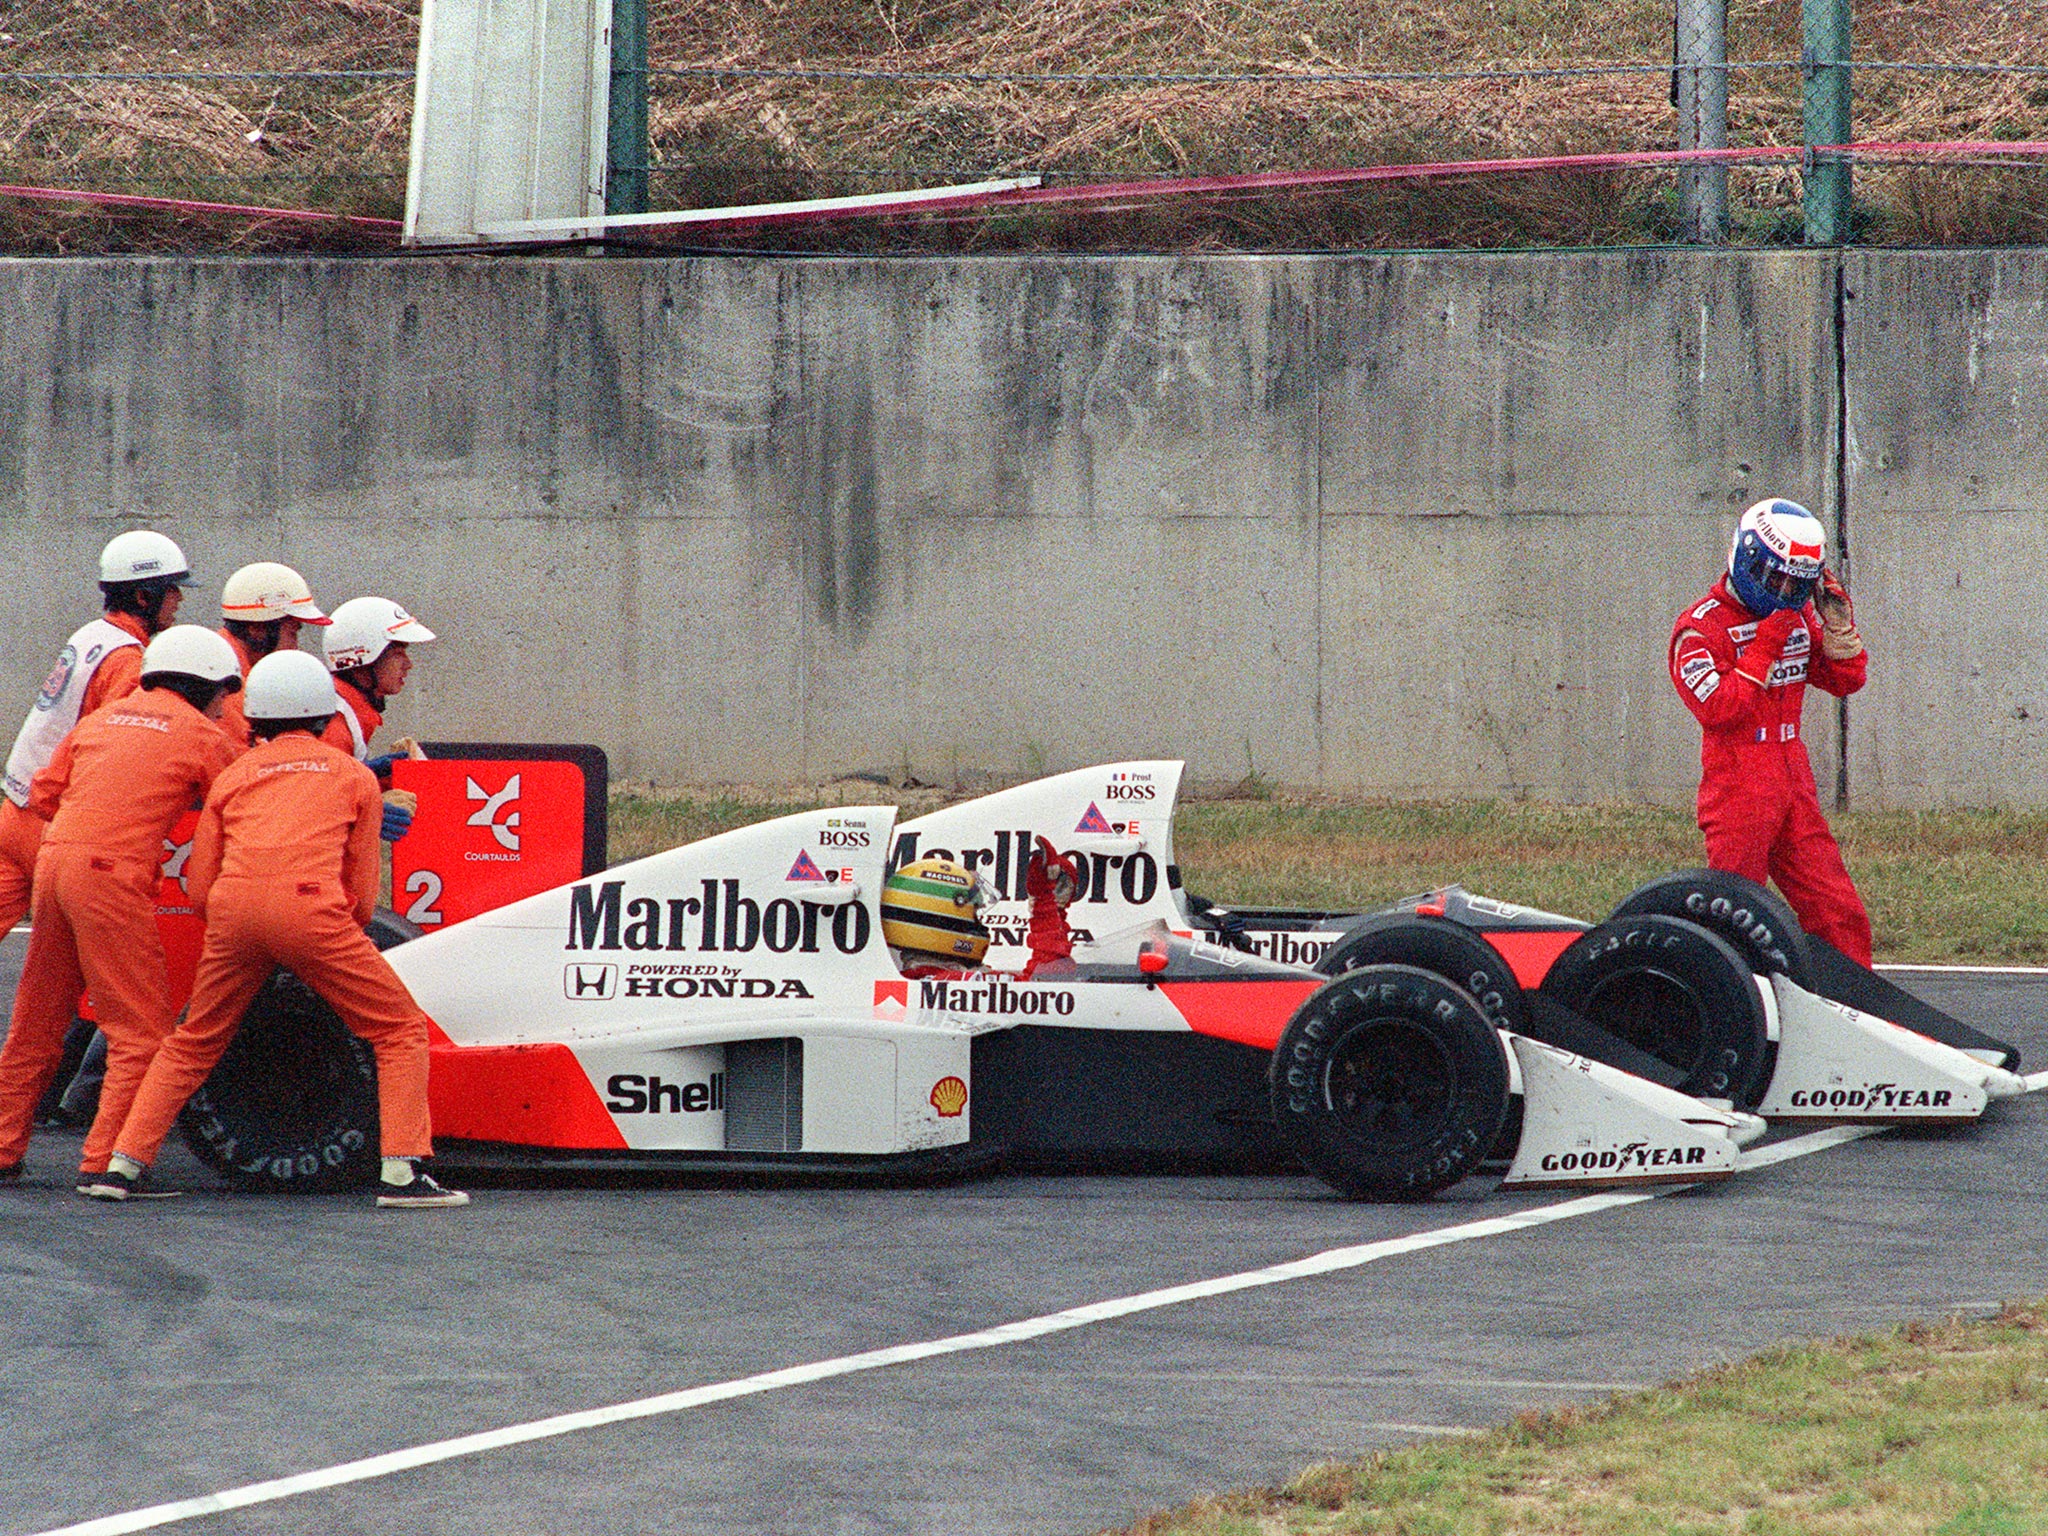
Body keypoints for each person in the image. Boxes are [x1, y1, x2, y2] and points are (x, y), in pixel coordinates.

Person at [91, 649, 467, 1208]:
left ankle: (121, 1166)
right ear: (322, 715)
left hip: (233, 911)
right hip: (313, 910)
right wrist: (320, 948)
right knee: (398, 1030)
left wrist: (242, 931)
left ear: (257, 716)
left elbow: (199, 887)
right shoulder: (353, 775)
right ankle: (402, 1173)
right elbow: (361, 896)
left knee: (192, 1041)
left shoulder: (235, 774)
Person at [0, 626, 243, 1187]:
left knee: (36, 1020)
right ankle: (107, 1163)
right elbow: (245, 790)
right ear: (205, 686)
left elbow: (43, 794)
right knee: (140, 1029)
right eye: (223, 693)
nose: (224, 704)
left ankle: (5, 1147)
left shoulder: (100, 720)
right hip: (111, 876)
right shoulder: (201, 734)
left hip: (55, 862)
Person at [1669, 497, 1873, 965]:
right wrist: (1766, 643)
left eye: (1796, 583)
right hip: (1738, 781)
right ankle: (1732, 1003)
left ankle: (1860, 1010)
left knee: (1836, 907)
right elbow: (1721, 711)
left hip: (1793, 777)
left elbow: (1846, 680)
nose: (1783, 591)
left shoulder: (1798, 613)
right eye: (1774, 577)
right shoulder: (1699, 630)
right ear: (1747, 557)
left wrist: (1840, 629)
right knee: (1733, 913)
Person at [321, 596, 436, 841]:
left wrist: (381, 782)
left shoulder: (347, 710)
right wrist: (366, 811)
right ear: (364, 659)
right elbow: (308, 805)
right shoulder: (334, 721)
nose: (408, 664)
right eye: (397, 653)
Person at [881, 837, 1077, 980]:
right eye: (974, 913)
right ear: (944, 918)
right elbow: (1048, 982)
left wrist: (1051, 905)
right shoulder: (949, 983)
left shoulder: (930, 977)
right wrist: (1044, 904)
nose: (980, 924)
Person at [215, 561, 331, 747]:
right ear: (257, 629)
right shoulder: (231, 691)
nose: (295, 648)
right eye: (292, 633)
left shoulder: (221, 666)